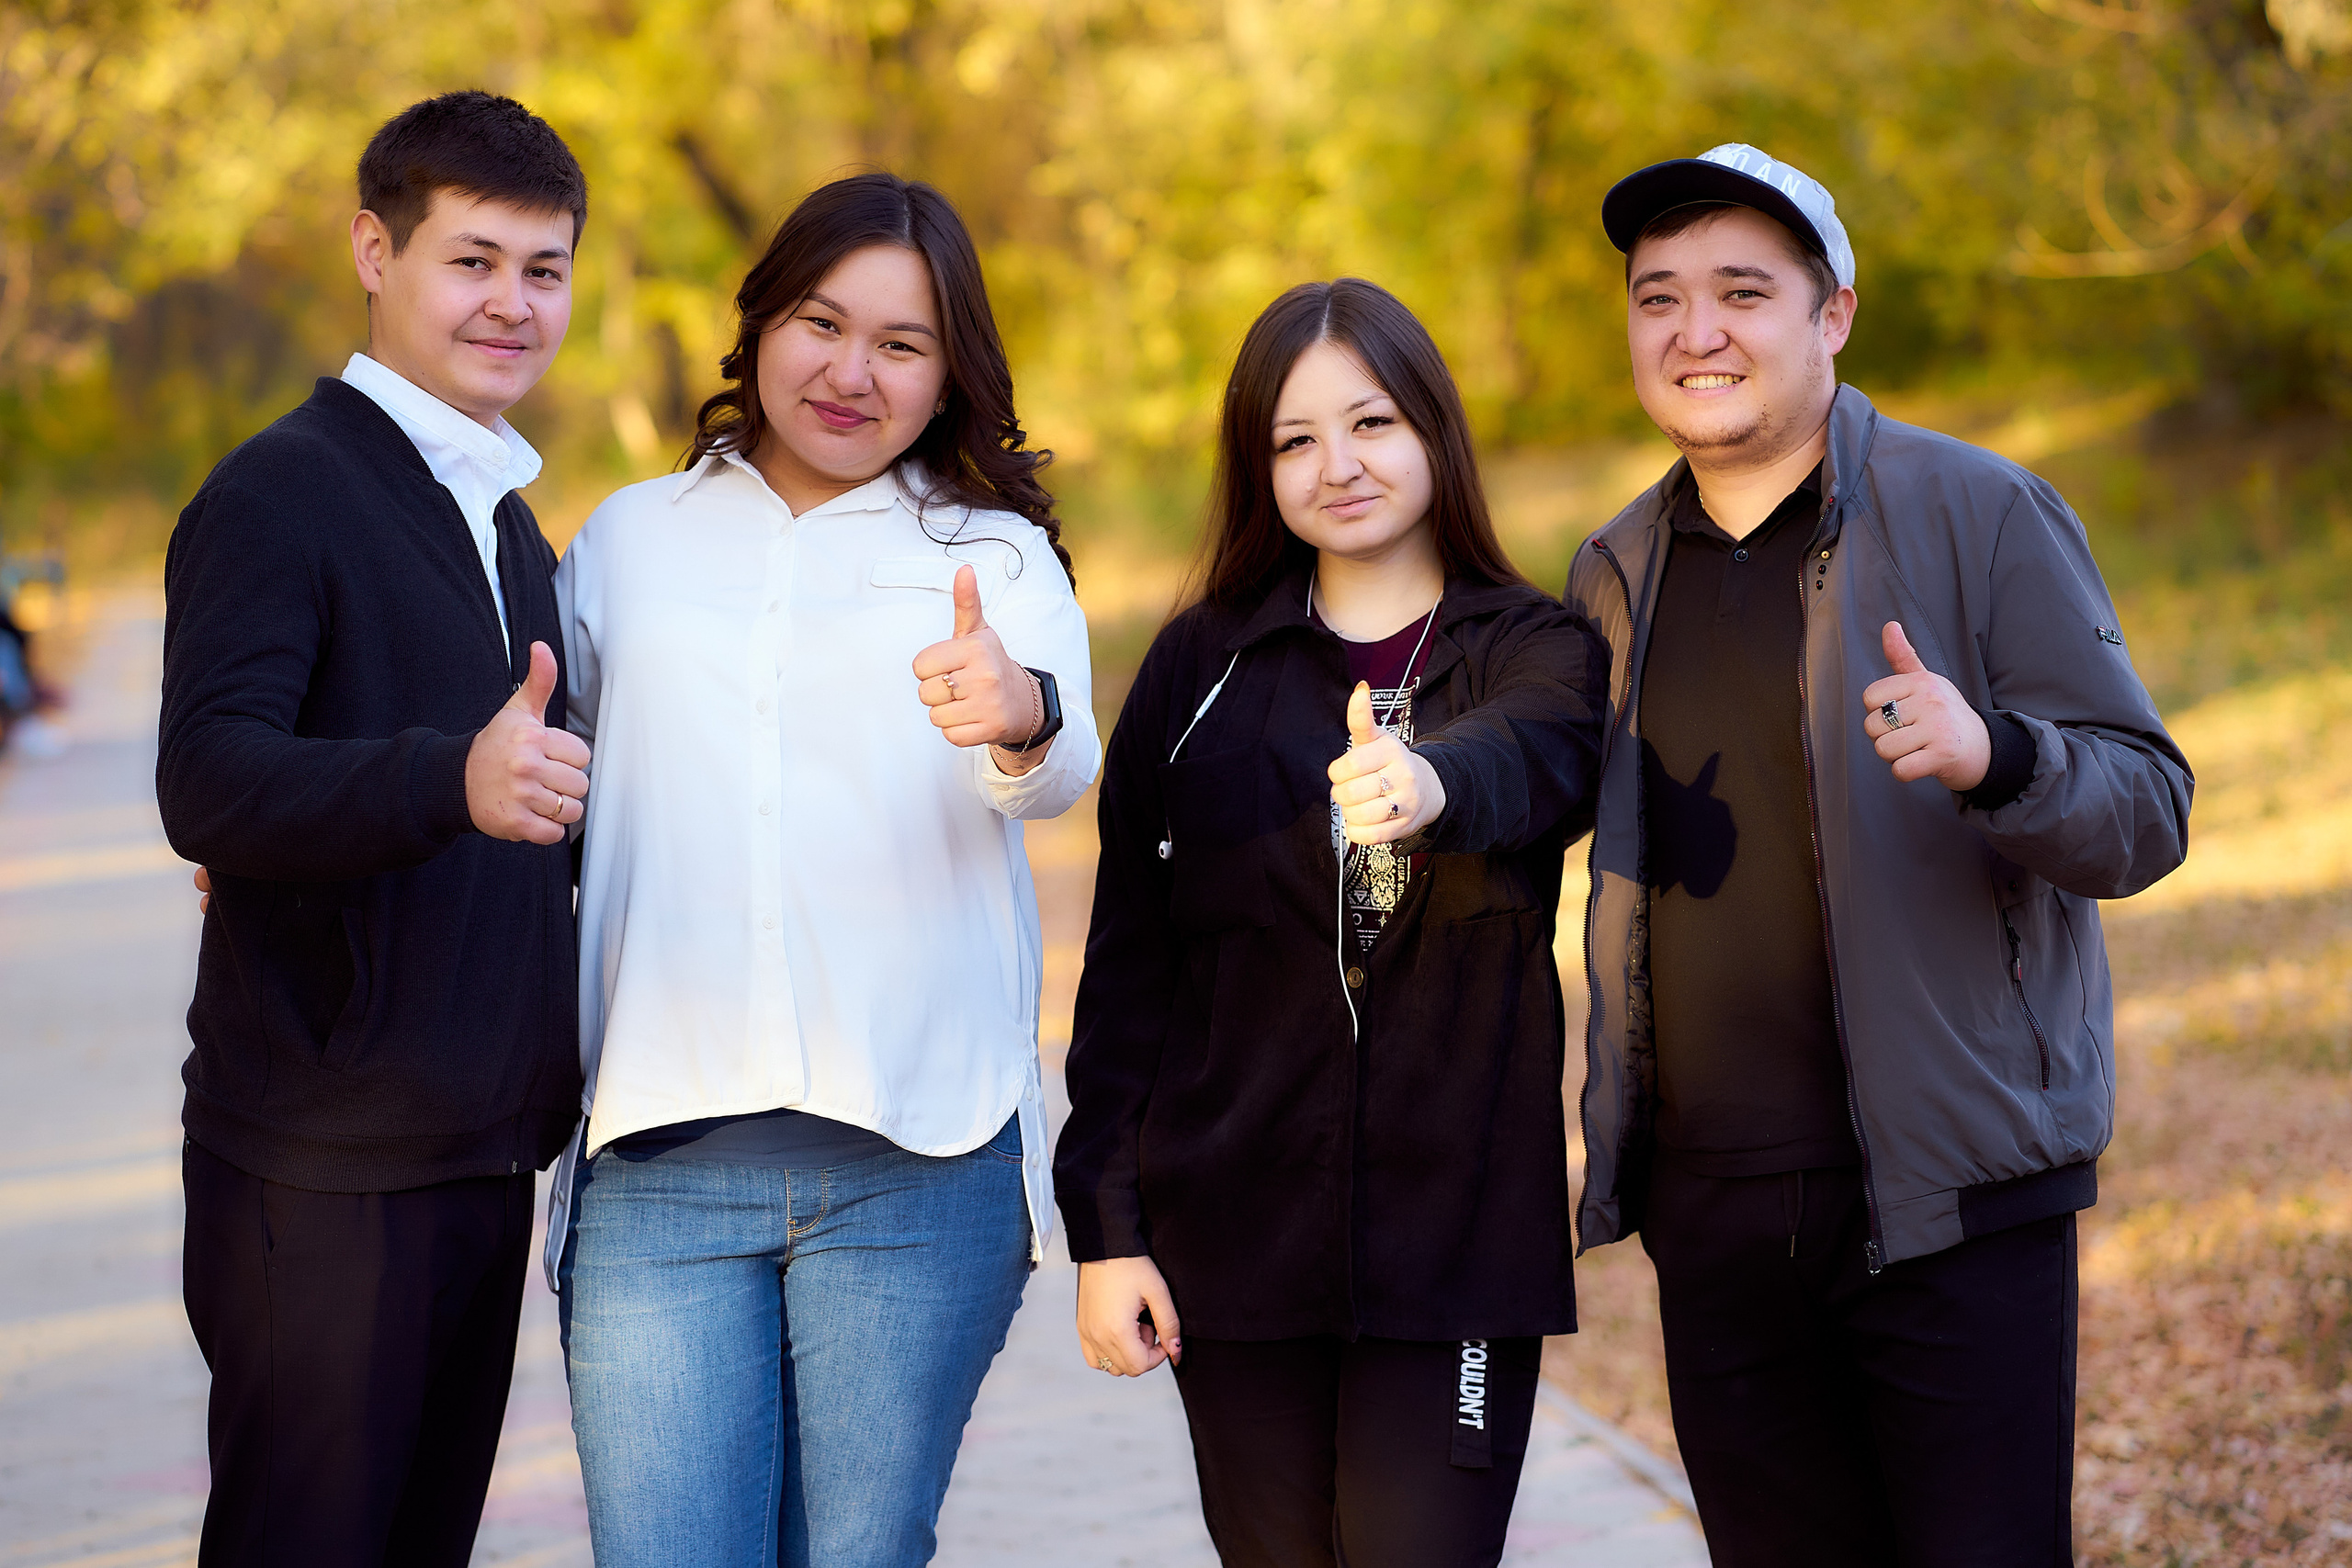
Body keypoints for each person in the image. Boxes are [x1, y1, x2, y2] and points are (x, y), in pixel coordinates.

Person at [1564, 143, 2194, 1566]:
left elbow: (2150, 807)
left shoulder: (1981, 513)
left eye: (1742, 291)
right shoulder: (1612, 572)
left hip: (1952, 1205)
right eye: (1659, 298)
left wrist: (1999, 758)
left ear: (1833, 313)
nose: (1695, 331)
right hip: (1714, 1216)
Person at [552, 171, 1097, 1567]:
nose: (852, 373)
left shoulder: (996, 555)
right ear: (758, 326)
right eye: (820, 322)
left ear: (948, 372)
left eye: (902, 344)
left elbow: (1059, 758)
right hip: (657, 1169)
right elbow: (541, 779)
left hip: (919, 1168)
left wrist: (1016, 707)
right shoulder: (627, 542)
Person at [1056, 277, 1607, 1568]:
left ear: (1433, 430)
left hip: (1457, 1253)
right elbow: (1131, 963)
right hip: (1228, 1245)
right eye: (1294, 441)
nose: (1337, 466)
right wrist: (1107, 1234)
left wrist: (1433, 782)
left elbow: (1546, 756)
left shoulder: (1536, 650)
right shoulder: (1199, 672)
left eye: (1370, 424)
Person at [156, 93, 591, 1566]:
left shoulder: (503, 519)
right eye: (472, 260)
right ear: (372, 249)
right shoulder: (283, 492)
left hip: (476, 1155)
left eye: (544, 268)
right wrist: (439, 781)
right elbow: (208, 782)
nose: (511, 304)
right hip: (325, 1172)